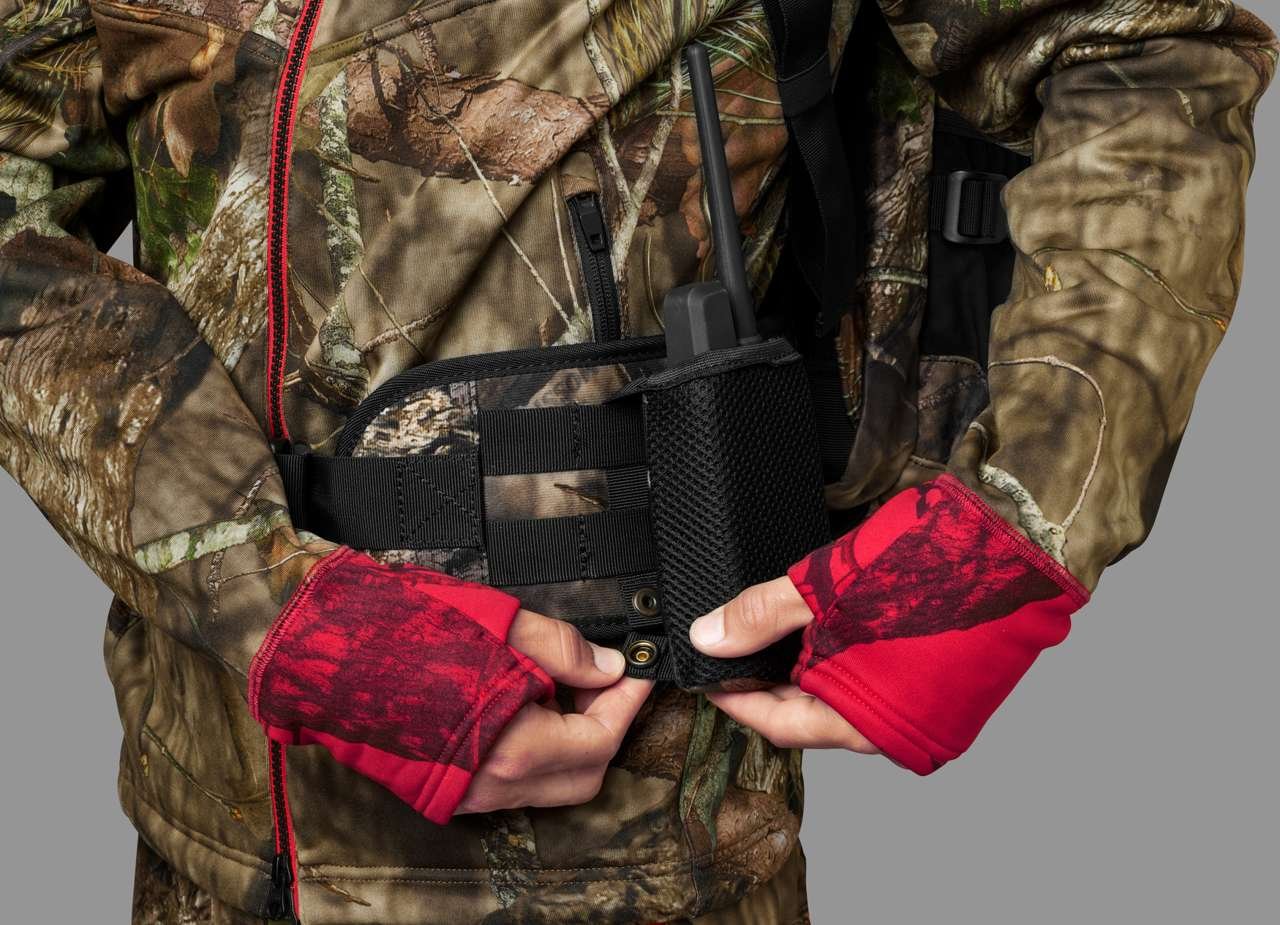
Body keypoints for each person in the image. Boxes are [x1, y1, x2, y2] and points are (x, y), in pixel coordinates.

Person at [0, 0, 1274, 922]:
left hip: (644, 858)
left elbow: (1138, 49)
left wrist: (1013, 529)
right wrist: (267, 595)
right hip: (202, 840)